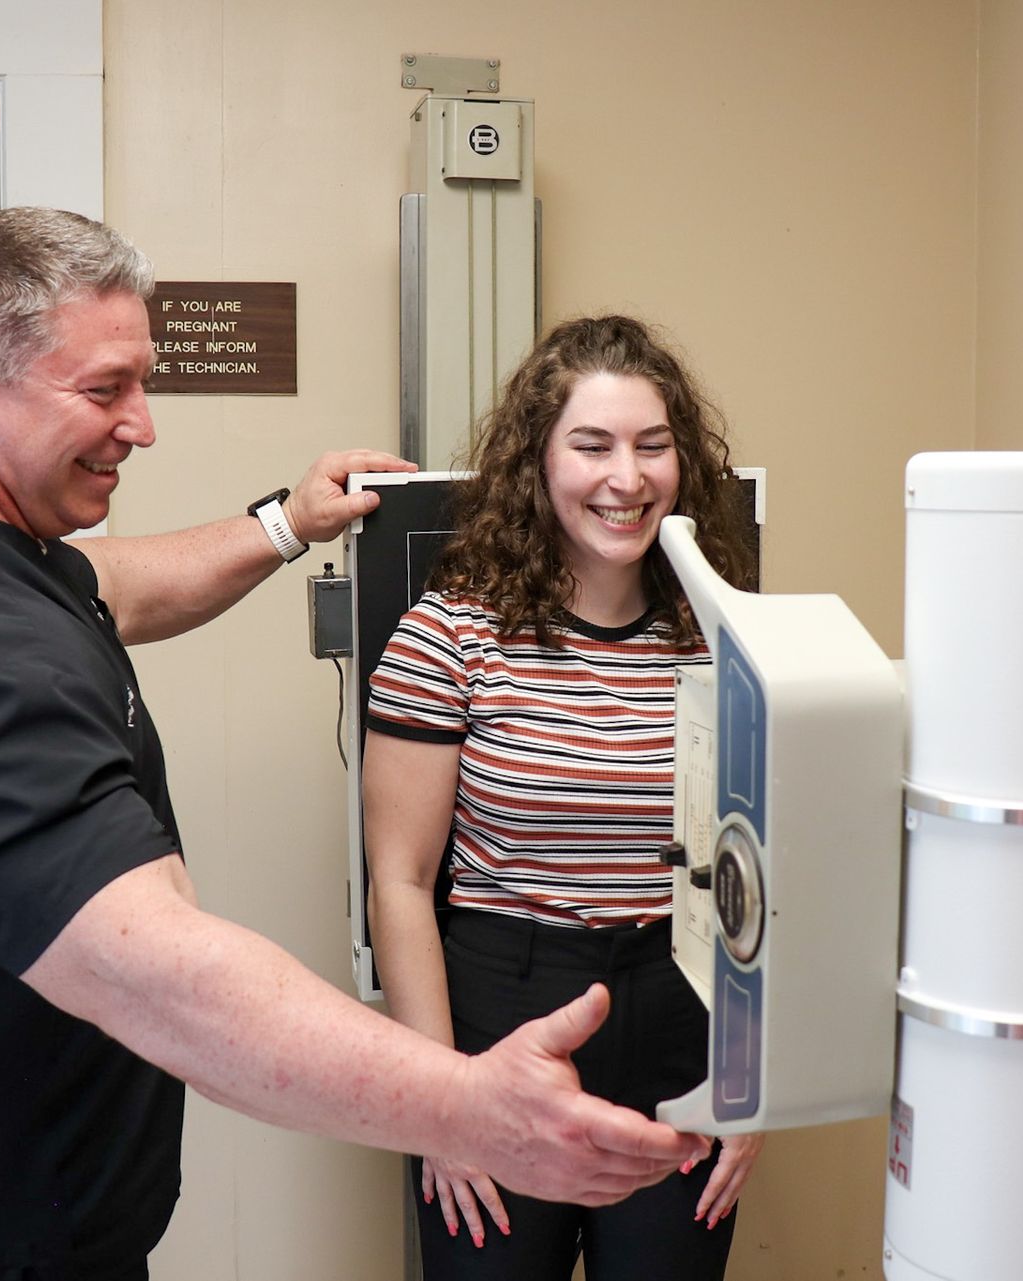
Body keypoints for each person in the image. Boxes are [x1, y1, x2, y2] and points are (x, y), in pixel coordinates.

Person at [0, 209, 706, 1281]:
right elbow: (169, 983)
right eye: (106, 388)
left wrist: (283, 524)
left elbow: (108, 589)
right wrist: (462, 1106)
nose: (143, 424)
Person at [363, 315, 764, 1280]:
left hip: (681, 1014)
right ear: (538, 465)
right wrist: (440, 1105)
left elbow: (763, 875)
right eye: (592, 446)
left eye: (652, 446)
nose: (625, 478)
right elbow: (403, 881)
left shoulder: (727, 636)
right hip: (502, 1012)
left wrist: (753, 1086)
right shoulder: (451, 635)